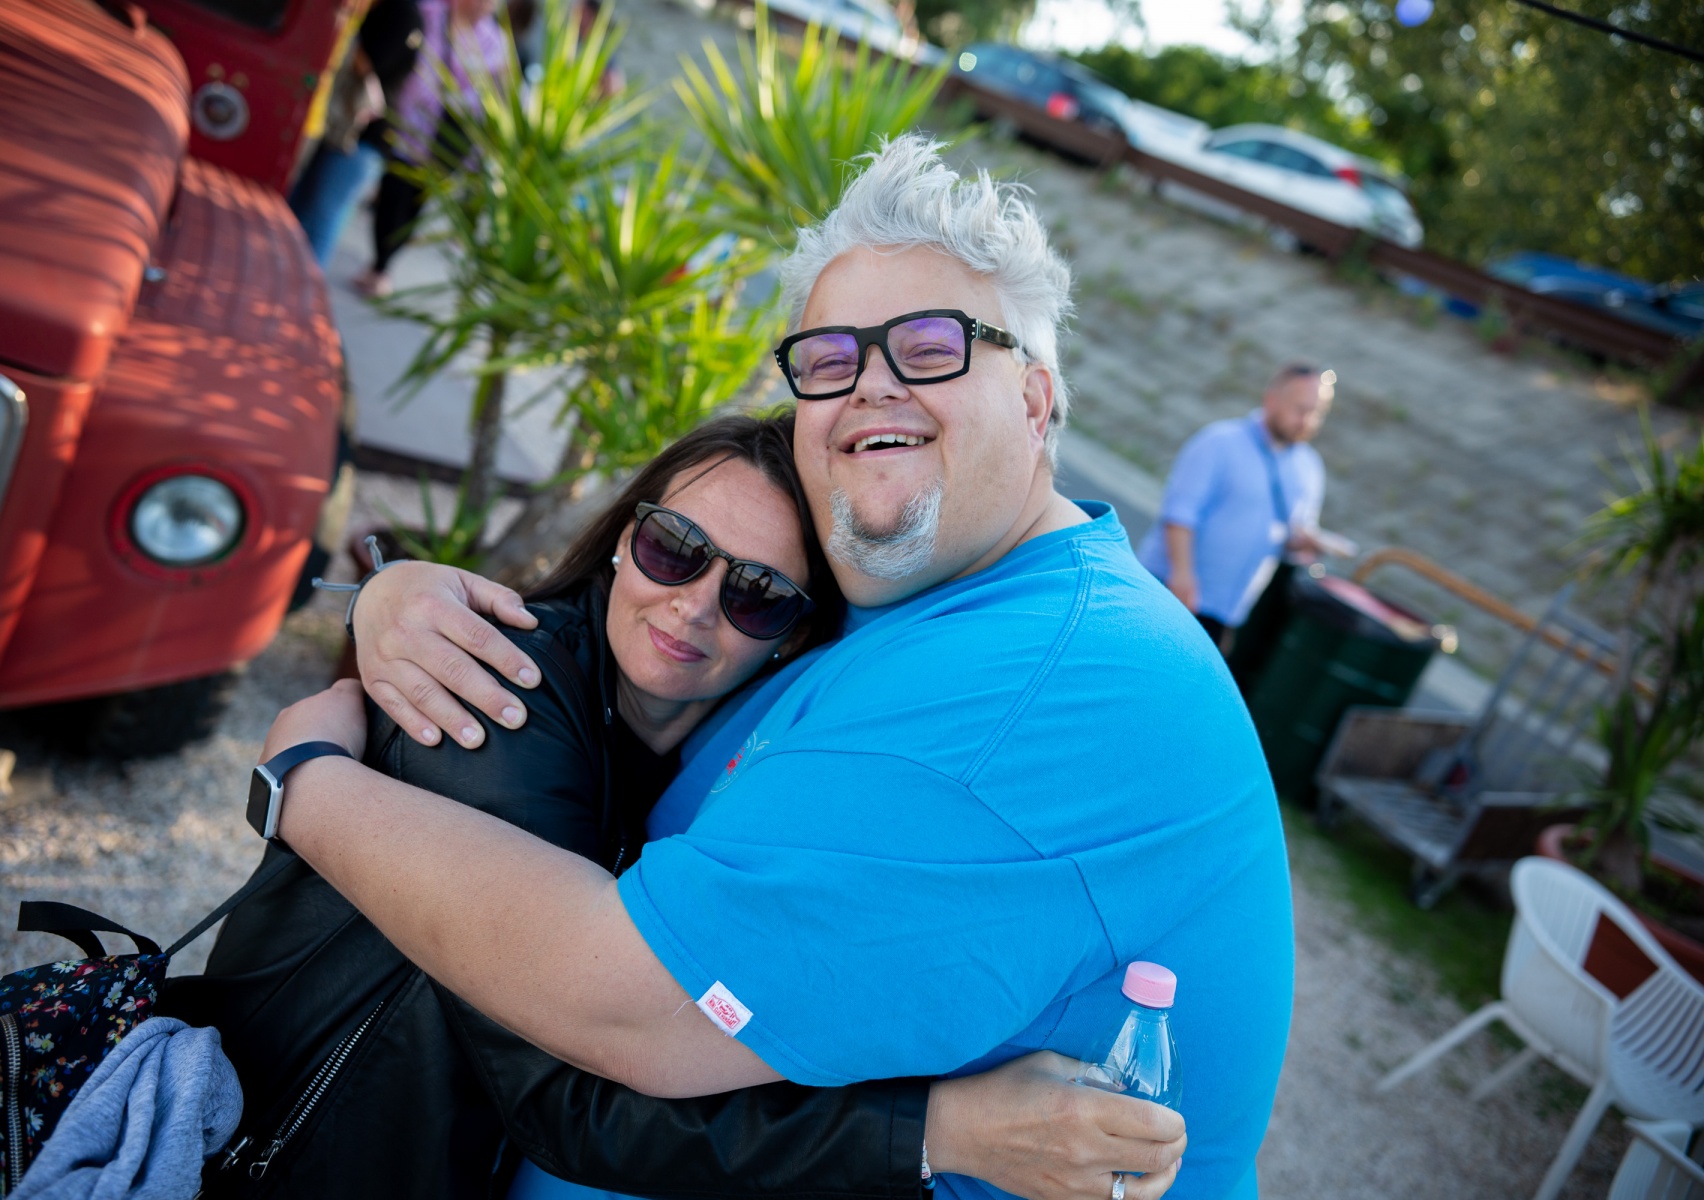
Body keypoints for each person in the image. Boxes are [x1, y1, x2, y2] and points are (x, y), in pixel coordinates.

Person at [257, 136, 1293, 1200]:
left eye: (928, 347)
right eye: (830, 361)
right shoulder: (925, 606)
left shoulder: (1034, 679)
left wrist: (300, 783)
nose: (870, 386)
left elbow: (628, 1009)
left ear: (1034, 403)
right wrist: (398, 592)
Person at [169, 414, 1178, 1197]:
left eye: (757, 594)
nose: (692, 605)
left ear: (794, 637)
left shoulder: (712, 770)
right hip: (280, 1161)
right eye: (673, 547)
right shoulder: (500, 698)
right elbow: (564, 1096)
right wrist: (940, 1131)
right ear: (624, 537)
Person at [1136, 363, 1347, 649]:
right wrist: (1182, 576)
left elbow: (1292, 536)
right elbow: (1179, 515)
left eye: (1317, 413)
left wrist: (1307, 543)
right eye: (1300, 409)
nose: (1306, 420)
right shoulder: (1219, 442)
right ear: (1271, 399)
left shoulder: (1309, 468)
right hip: (1168, 590)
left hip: (1225, 613)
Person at [354, 0, 514, 299]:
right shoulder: (431, 11)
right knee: (393, 195)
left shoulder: (495, 42)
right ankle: (380, 265)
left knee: (415, 205)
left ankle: (383, 263)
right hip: (407, 124)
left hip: (444, 140)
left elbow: (497, 94)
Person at [287, 0, 424, 265]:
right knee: (300, 209)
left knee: (321, 218)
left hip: (365, 140)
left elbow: (372, 65)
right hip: (343, 131)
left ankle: (304, 285)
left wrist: (344, 29)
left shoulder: (403, 14)